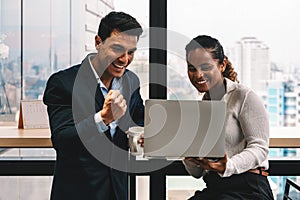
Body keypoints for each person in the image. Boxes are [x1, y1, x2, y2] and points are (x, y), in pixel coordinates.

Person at [43, 11, 144, 200]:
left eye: (131, 52)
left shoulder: (131, 81)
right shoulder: (63, 83)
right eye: (117, 49)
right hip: (78, 193)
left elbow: (139, 119)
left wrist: (142, 133)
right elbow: (63, 140)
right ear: (98, 42)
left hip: (118, 191)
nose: (124, 59)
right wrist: (104, 118)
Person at [183, 35, 274, 199]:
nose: (198, 75)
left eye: (205, 67)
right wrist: (186, 150)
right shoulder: (202, 108)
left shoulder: (243, 96)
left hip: (249, 188)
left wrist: (228, 166)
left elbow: (260, 148)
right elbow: (196, 173)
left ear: (222, 65)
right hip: (216, 188)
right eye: (192, 68)